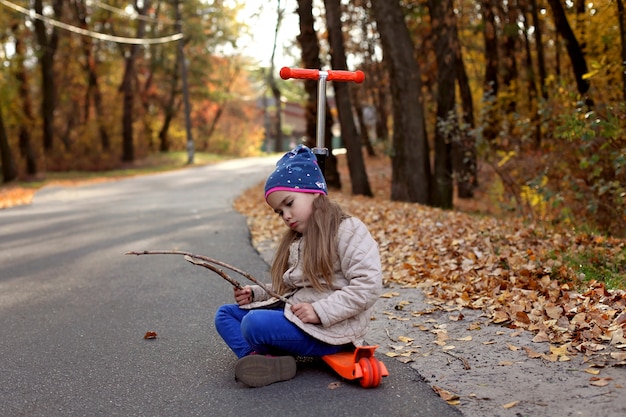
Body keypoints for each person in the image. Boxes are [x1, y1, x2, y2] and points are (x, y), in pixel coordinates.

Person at [214, 145, 383, 388]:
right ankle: (260, 362)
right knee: (226, 314)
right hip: (297, 318)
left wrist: (320, 312)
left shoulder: (348, 230)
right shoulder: (297, 239)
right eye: (279, 212)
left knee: (253, 323)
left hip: (331, 328)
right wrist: (256, 293)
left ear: (314, 192)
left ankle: (266, 352)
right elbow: (290, 288)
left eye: (289, 203)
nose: (286, 216)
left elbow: (367, 286)